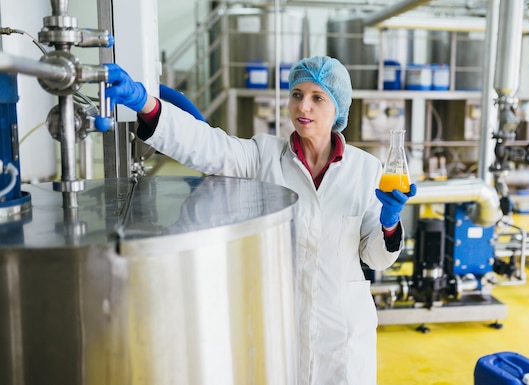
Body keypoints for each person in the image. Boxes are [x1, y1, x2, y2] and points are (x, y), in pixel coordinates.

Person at [105, 55, 416, 385]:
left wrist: (390, 222)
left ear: (338, 107)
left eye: (317, 98)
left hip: (342, 338)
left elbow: (375, 257)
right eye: (296, 95)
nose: (303, 107)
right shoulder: (264, 156)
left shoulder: (366, 169)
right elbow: (208, 146)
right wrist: (147, 105)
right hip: (279, 328)